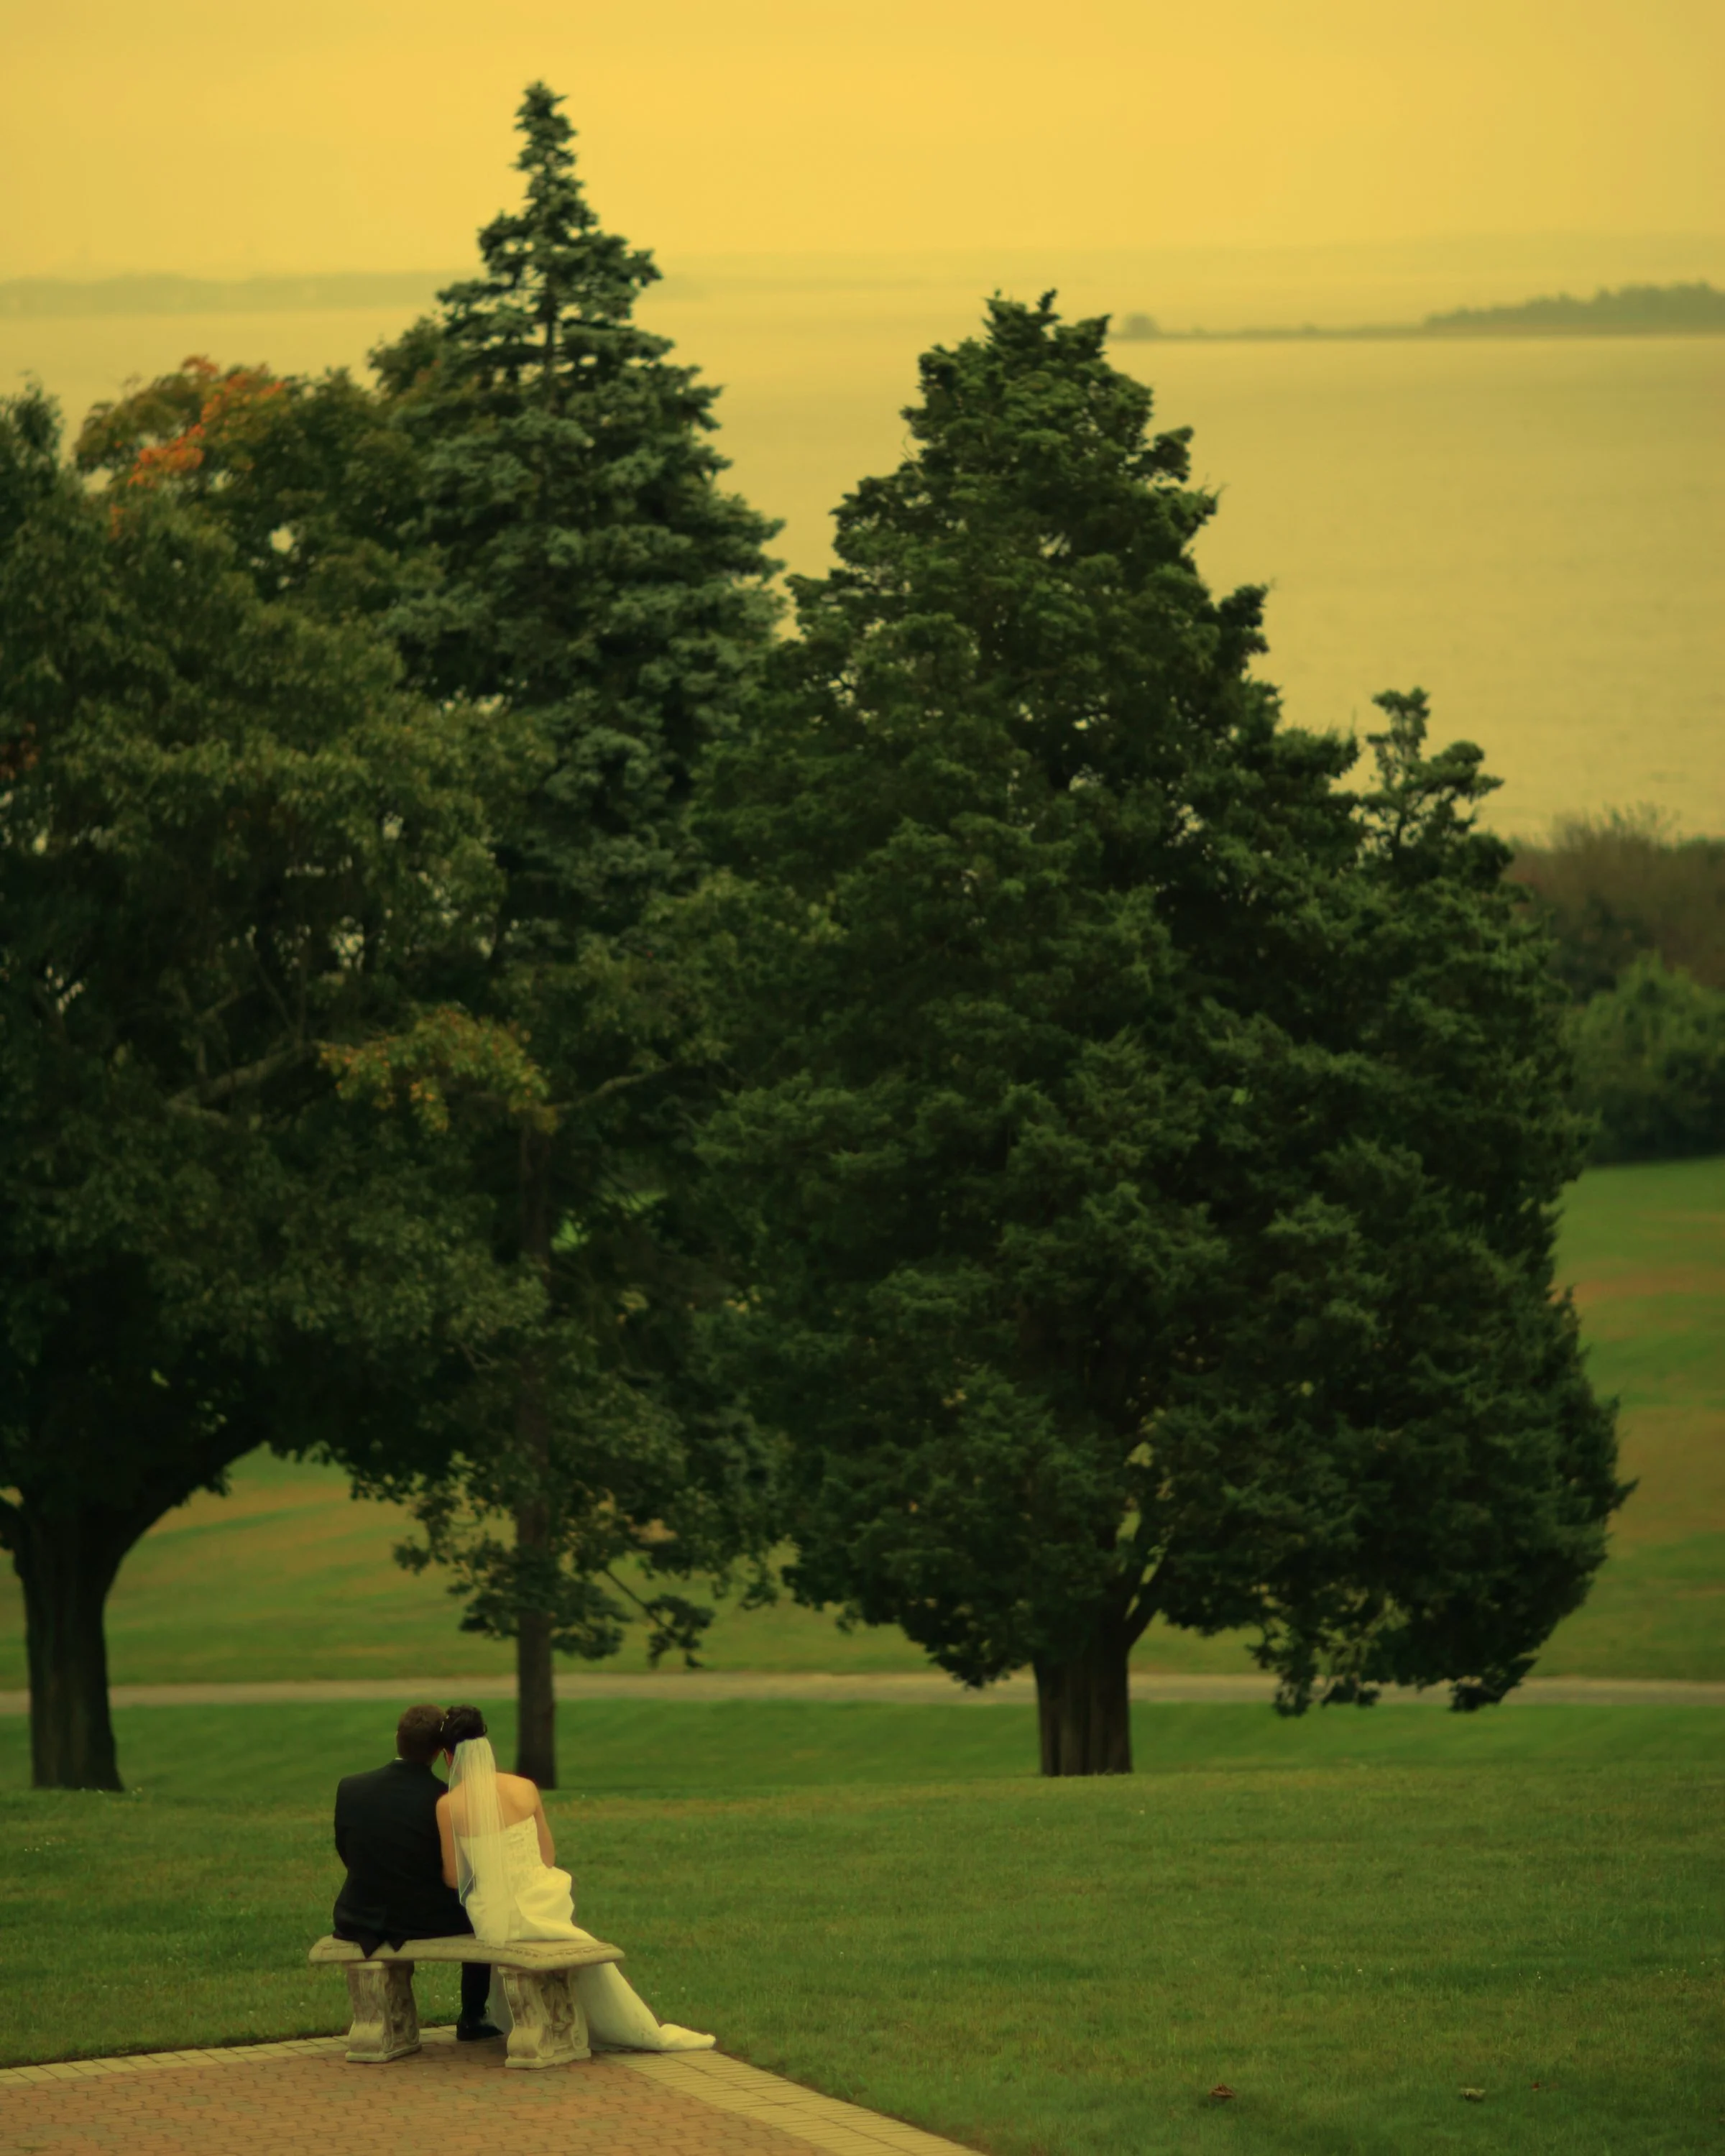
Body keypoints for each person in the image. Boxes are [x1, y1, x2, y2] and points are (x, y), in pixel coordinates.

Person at [434, 1703, 714, 2051]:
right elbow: (547, 1857)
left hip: (495, 1916)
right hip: (542, 1901)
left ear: (449, 1757)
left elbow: (451, 1877)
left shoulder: (448, 1806)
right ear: (486, 1744)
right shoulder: (524, 1788)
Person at [333, 1702, 501, 2042]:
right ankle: (472, 2015)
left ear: (398, 1738)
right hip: (425, 1919)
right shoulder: (445, 1799)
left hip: (358, 1915)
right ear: (440, 1752)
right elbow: (457, 1874)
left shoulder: (350, 1788)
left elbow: (347, 1852)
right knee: (483, 1911)